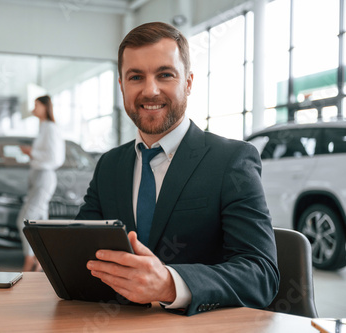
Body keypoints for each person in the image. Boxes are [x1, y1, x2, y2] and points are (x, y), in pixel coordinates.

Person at [78, 22, 279, 316]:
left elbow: (260, 274)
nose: (150, 90)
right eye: (136, 77)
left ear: (188, 82)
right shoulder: (109, 165)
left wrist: (171, 284)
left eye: (165, 75)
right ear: (122, 85)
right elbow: (80, 255)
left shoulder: (232, 160)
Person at [17, 95, 65, 271]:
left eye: (36, 104)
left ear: (45, 107)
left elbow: (55, 158)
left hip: (44, 176)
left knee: (24, 220)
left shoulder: (51, 128)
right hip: (37, 175)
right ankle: (40, 262)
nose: (34, 108)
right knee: (40, 223)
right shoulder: (43, 127)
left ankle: (30, 259)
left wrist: (33, 153)